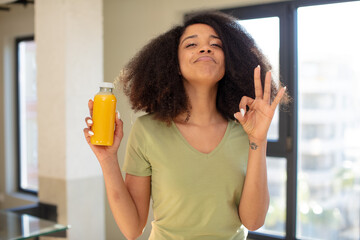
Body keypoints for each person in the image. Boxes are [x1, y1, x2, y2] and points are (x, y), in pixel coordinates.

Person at [84, 11, 287, 240]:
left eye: (215, 44)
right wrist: (107, 159)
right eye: (192, 44)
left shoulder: (246, 131)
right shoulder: (148, 130)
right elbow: (132, 229)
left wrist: (258, 141)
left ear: (227, 63)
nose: (205, 48)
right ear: (175, 65)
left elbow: (254, 221)